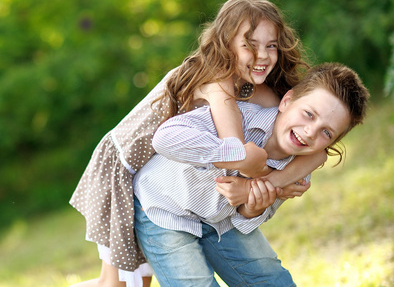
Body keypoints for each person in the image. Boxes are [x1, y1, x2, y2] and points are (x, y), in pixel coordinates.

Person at [69, 0, 325, 287]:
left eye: (271, 46)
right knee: (121, 284)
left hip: (177, 185)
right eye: (249, 45)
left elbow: (318, 153)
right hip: (125, 165)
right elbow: (237, 153)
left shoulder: (261, 91)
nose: (263, 55)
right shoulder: (218, 81)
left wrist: (277, 182)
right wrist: (272, 179)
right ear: (226, 43)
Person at [133, 62, 370, 286]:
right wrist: (238, 155)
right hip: (163, 208)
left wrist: (253, 208)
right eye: (309, 114)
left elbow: (244, 218)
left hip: (219, 222)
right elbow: (165, 138)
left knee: (273, 281)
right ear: (287, 101)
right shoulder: (238, 116)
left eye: (326, 132)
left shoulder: (297, 170)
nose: (309, 132)